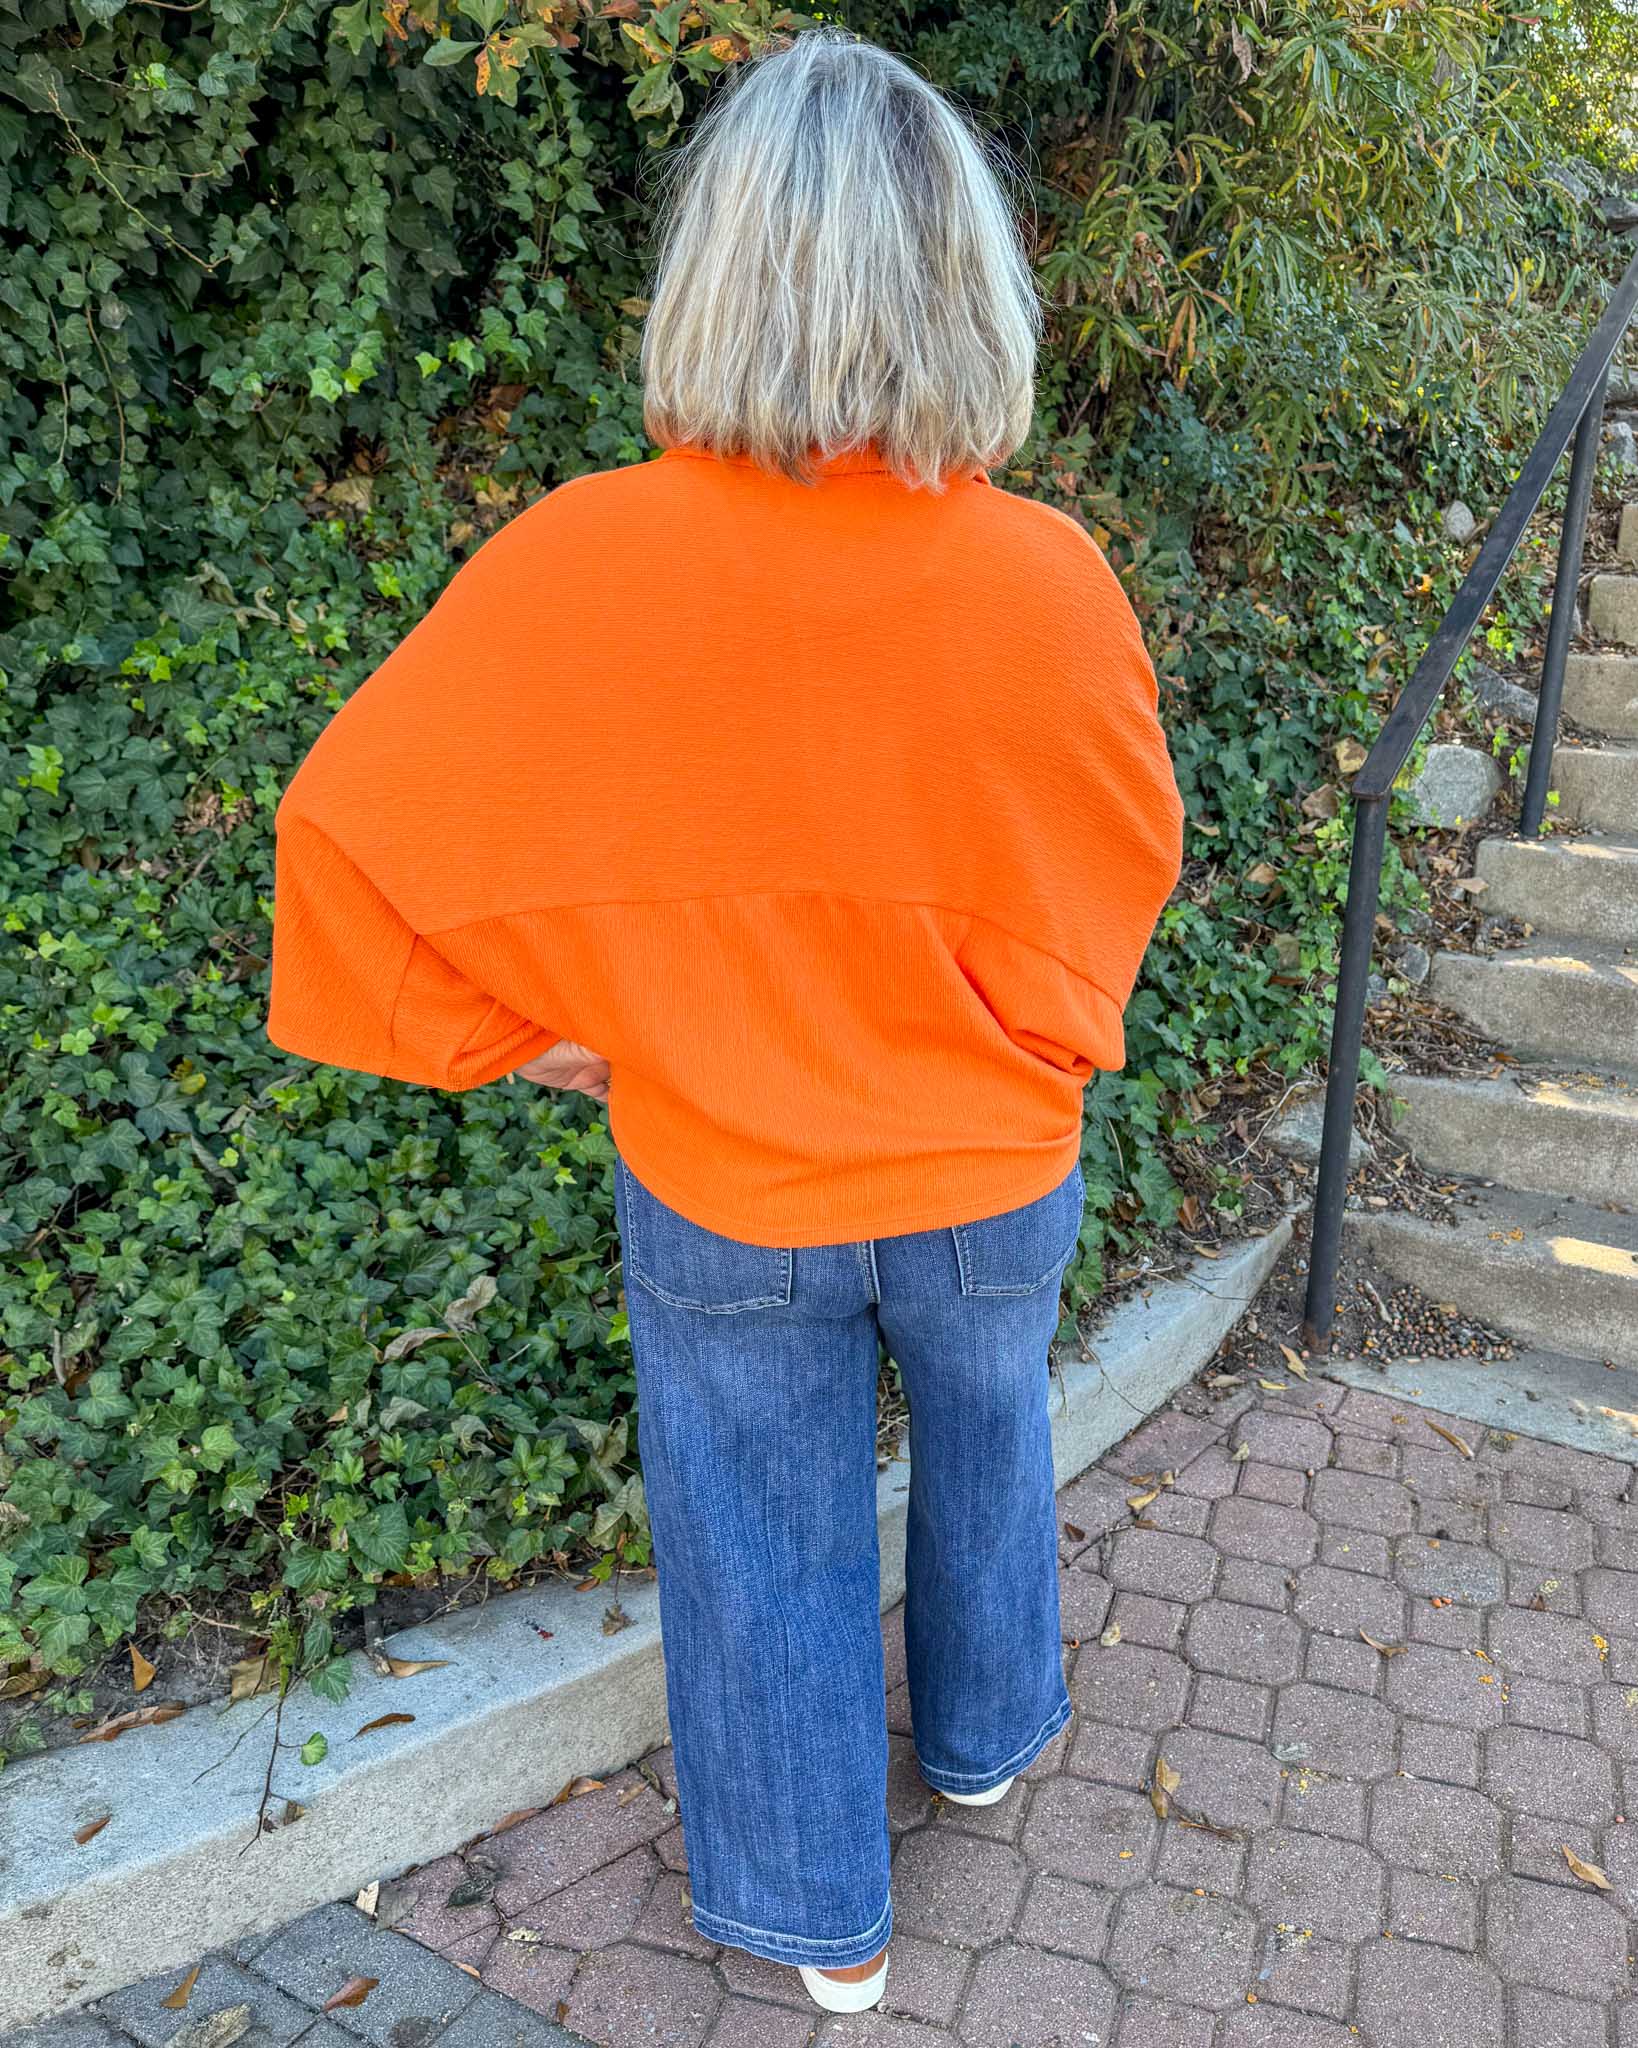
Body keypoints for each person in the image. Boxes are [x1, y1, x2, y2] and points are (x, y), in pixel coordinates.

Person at [266, 26, 1183, 2016]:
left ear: (716, 276)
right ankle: (983, 1740)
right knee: (993, 1441)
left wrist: (537, 1030)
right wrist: (1025, 1043)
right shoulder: (1045, 579)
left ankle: (816, 1917)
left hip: (720, 1166)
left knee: (757, 1534)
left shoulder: (576, 561)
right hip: (985, 1162)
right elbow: (1116, 870)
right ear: (962, 283)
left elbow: (347, 831)